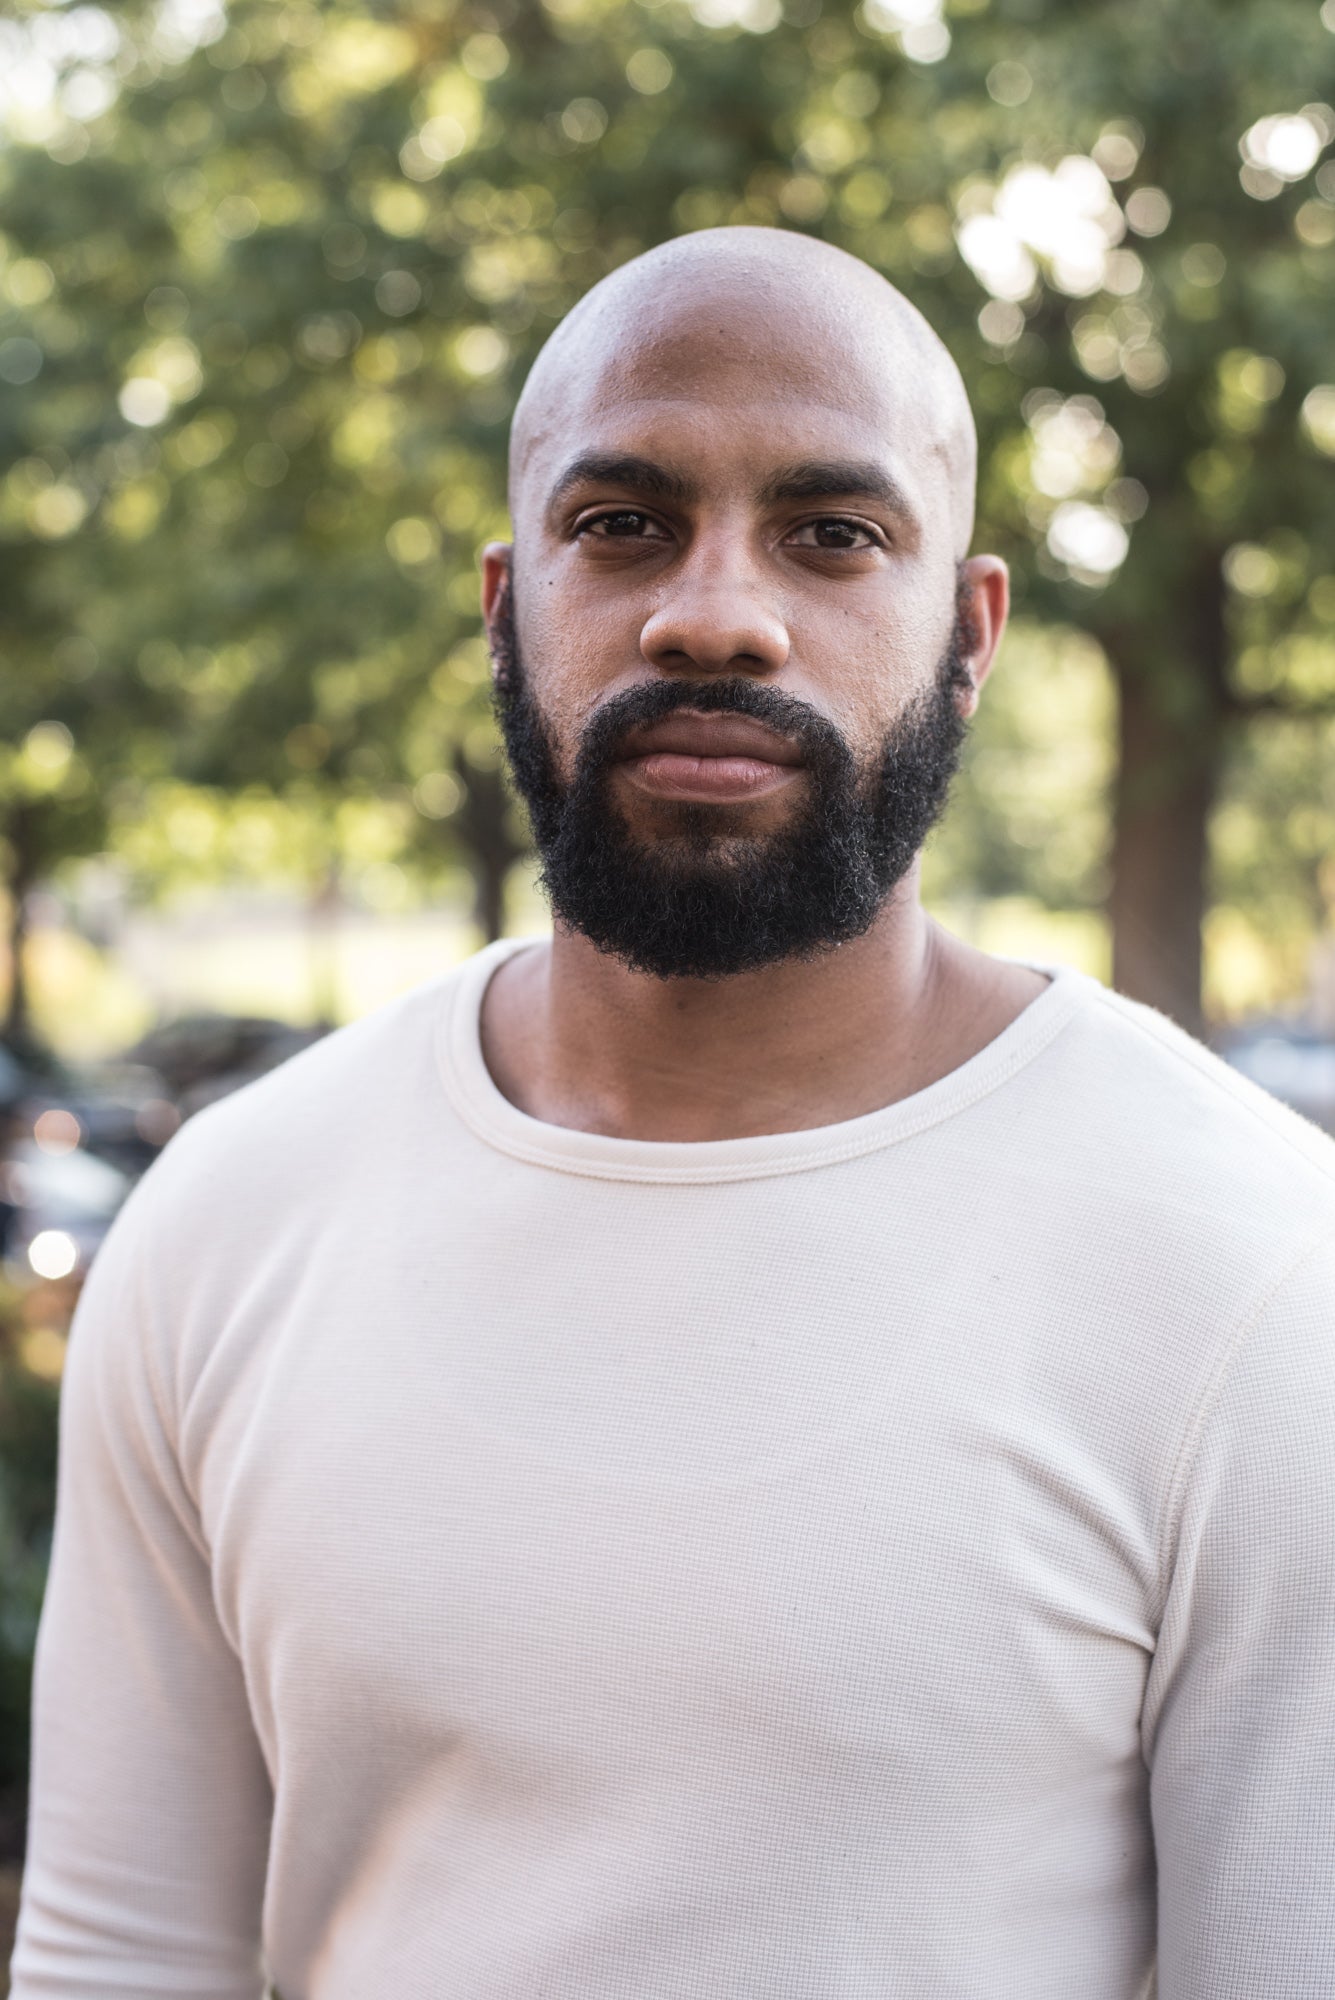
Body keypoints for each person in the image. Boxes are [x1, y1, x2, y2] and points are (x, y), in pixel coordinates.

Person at [12, 228, 1335, 1999]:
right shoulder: (230, 1220)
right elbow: (124, 1954)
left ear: (970, 631)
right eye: (621, 522)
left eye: (834, 533)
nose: (716, 610)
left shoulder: (1254, 1268)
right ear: (506, 608)